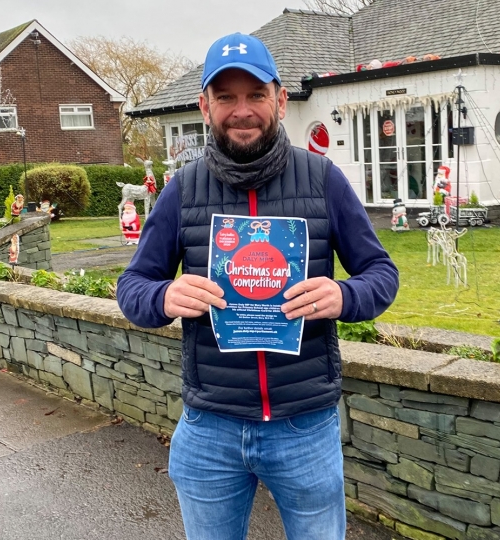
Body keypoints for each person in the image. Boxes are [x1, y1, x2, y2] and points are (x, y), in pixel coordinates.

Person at [116, 32, 398, 540]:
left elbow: (381, 274)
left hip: (304, 427)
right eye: (225, 97)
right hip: (210, 429)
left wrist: (344, 296)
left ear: (281, 100)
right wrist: (163, 297)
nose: (241, 110)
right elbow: (133, 286)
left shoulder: (323, 180)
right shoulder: (183, 190)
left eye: (255, 95)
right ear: (204, 106)